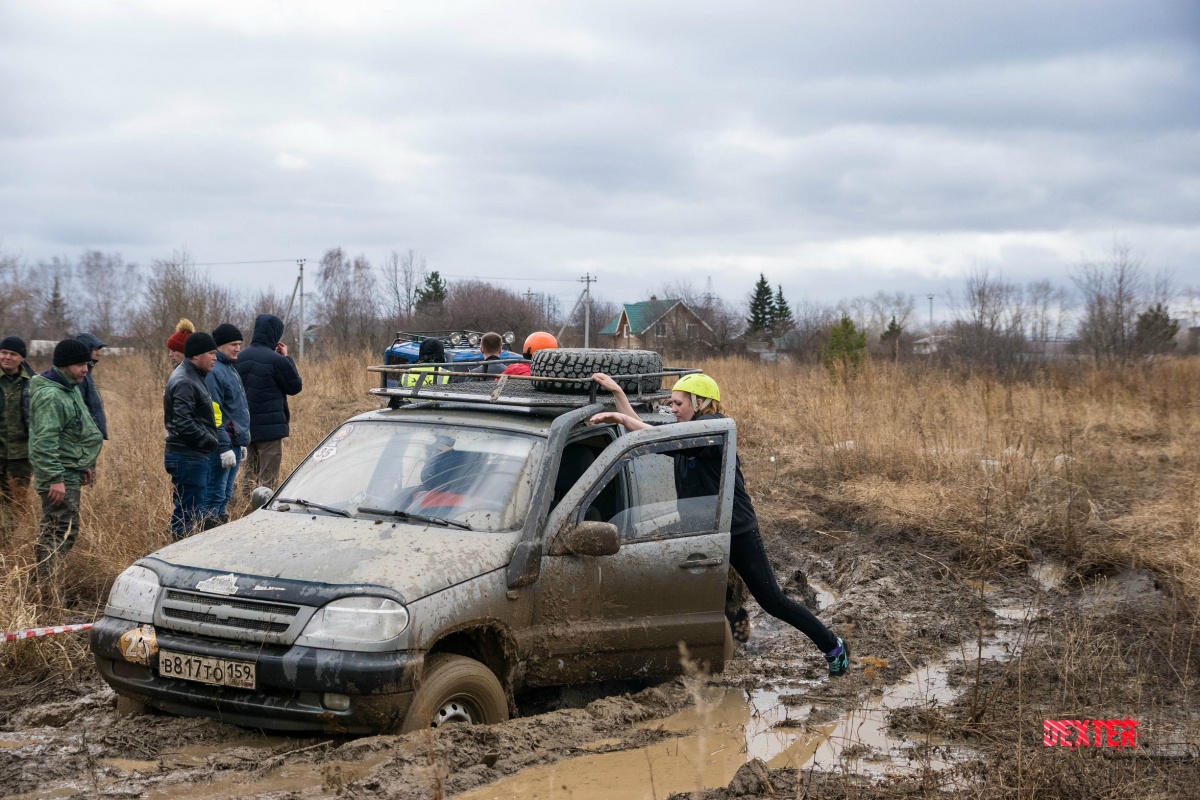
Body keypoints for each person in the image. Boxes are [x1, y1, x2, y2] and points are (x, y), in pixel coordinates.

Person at [589, 371, 851, 677]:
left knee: (773, 601)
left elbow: (647, 434)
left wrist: (621, 420)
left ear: (699, 403)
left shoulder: (714, 431)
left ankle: (834, 647)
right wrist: (619, 394)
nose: (672, 409)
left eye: (678, 403)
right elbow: (648, 430)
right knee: (697, 596)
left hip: (736, 529)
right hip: (703, 530)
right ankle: (719, 648)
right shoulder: (684, 429)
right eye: (670, 403)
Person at [28, 339, 103, 583]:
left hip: (70, 472)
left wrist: (84, 466)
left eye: (87, 364)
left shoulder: (68, 387)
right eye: (80, 364)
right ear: (64, 365)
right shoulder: (52, 395)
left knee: (63, 530)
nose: (85, 369)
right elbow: (44, 441)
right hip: (58, 478)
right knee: (58, 531)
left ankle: (45, 584)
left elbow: (74, 432)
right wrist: (54, 478)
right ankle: (46, 592)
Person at [236, 314, 302, 491]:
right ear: (275, 335)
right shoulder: (277, 360)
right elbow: (294, 387)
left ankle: (244, 510)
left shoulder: (239, 358)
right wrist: (286, 358)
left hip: (245, 427)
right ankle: (263, 511)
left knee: (248, 474)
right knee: (268, 479)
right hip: (270, 429)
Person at [164, 331, 220, 539]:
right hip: (187, 456)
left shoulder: (193, 375)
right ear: (196, 355)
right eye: (211, 353)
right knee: (187, 514)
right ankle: (179, 559)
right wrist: (210, 441)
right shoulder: (186, 380)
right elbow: (183, 424)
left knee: (190, 511)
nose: (215, 357)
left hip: (191, 455)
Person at [203, 323, 250, 526]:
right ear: (219, 346)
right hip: (223, 445)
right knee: (215, 494)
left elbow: (236, 409)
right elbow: (214, 414)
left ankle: (220, 527)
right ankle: (208, 533)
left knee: (226, 494)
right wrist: (224, 447)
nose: (238, 348)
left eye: (239, 343)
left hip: (235, 443)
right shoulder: (216, 372)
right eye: (233, 344)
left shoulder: (231, 368)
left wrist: (242, 440)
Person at [0, 336, 35, 510]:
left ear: (22, 358)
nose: (7, 357)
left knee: (16, 504)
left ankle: (8, 537)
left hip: (21, 457)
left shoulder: (34, 382)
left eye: (13, 354)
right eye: (3, 352)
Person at [75, 332, 108, 440]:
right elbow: (79, 411)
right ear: (86, 349)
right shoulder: (79, 377)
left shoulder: (87, 374)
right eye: (95, 349)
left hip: (91, 438)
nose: (98, 353)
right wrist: (92, 430)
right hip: (85, 439)